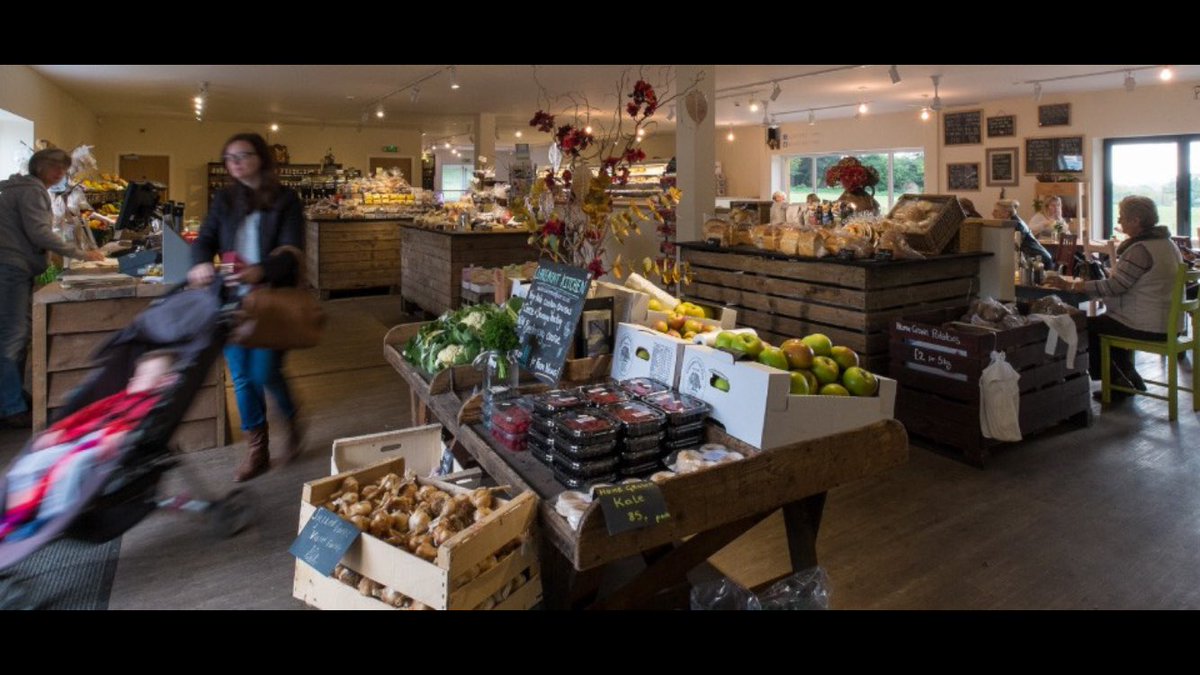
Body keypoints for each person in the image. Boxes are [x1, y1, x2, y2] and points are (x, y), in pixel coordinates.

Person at [188, 132, 306, 482]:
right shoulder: (224, 199)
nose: (235, 162)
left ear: (262, 159)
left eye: (243, 155)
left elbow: (291, 248)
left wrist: (261, 270)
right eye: (229, 157)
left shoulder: (286, 200)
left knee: (265, 371)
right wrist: (199, 261)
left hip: (271, 300)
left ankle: (291, 418)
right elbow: (206, 237)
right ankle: (257, 450)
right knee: (241, 375)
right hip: (232, 299)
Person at [1, 350, 177, 541]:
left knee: (71, 467)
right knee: (31, 463)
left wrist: (117, 433)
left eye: (146, 376)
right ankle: (14, 513)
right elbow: (87, 413)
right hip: (78, 439)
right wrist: (58, 429)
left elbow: (131, 425)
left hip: (102, 446)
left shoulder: (150, 406)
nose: (136, 379)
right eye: (137, 374)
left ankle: (50, 518)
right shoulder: (119, 398)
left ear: (163, 382)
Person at [0, 149, 106, 429]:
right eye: (56, 169)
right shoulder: (32, 191)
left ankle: (13, 398)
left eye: (63, 169)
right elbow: (39, 233)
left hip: (13, 267)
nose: (61, 175)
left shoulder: (20, 188)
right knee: (13, 335)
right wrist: (82, 254)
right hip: (11, 268)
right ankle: (10, 406)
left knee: (17, 331)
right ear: (42, 168)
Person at [1044, 196, 1182, 400]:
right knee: (1105, 324)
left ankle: (1116, 382)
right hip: (1169, 323)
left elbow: (1115, 287)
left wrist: (1073, 284)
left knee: (1083, 326)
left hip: (1146, 324)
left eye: (1122, 217)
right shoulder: (1167, 244)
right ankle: (1128, 377)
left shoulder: (1140, 249)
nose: (1119, 222)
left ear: (1136, 220)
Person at [994, 198, 1054, 268]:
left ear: (1006, 213)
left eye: (996, 211)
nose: (993, 213)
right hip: (1035, 258)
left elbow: (1015, 245)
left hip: (1040, 260)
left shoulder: (1017, 224)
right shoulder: (1013, 222)